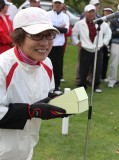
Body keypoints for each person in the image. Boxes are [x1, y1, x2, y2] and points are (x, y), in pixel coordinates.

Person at [0, 7, 68, 160]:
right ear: (19, 37)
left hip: (27, 148)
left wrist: (55, 103)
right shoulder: (3, 66)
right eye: (37, 36)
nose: (45, 43)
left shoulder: (47, 64)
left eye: (49, 35)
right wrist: (31, 111)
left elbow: (42, 96)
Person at [72, 4, 111, 93]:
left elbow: (108, 33)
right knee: (83, 68)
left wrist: (104, 43)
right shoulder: (79, 24)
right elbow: (74, 34)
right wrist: (77, 43)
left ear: (95, 13)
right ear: (85, 13)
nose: (91, 14)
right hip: (85, 49)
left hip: (97, 49)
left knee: (97, 68)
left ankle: (96, 85)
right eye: (89, 12)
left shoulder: (101, 23)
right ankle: (82, 85)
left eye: (93, 12)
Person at [48, 0, 69, 95]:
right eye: (56, 3)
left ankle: (56, 86)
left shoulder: (65, 16)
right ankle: (47, 85)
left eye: (59, 3)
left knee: (57, 66)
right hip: (48, 44)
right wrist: (59, 27)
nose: (57, 5)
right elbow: (47, 27)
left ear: (62, 5)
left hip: (59, 45)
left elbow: (65, 30)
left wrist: (53, 27)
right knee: (46, 65)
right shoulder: (47, 14)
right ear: (53, 4)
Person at [101, 6, 113, 83]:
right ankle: (96, 75)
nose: (108, 13)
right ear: (103, 12)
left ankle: (103, 76)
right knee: (98, 60)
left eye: (109, 12)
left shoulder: (113, 22)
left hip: (109, 43)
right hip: (99, 43)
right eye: (106, 11)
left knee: (106, 59)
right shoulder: (100, 20)